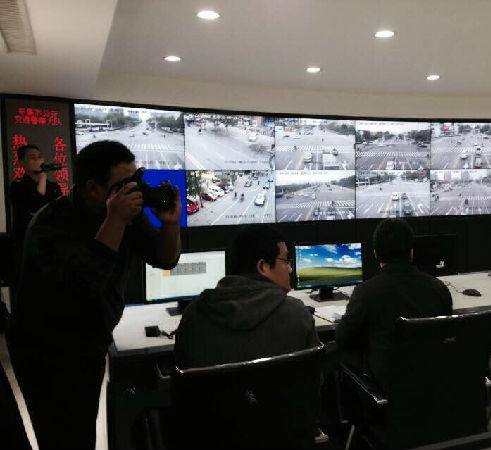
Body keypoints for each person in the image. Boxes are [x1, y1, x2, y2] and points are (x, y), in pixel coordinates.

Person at [7, 140, 181, 450]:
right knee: (63, 437)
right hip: (45, 351)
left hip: (91, 340)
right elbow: (81, 289)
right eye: (123, 185)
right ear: (92, 188)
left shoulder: (126, 214)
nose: (133, 191)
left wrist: (169, 223)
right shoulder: (49, 225)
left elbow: (165, 259)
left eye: (135, 181)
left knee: (83, 425)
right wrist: (115, 221)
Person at [175, 224, 319, 369]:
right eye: (286, 261)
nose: (290, 269)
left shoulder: (194, 315)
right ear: (263, 266)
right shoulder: (297, 313)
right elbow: (314, 375)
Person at [335, 219, 452, 394]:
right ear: (411, 252)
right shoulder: (439, 289)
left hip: (388, 389)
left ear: (375, 254)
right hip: (434, 384)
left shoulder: (366, 292)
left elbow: (342, 338)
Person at [9, 145, 62, 247]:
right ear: (21, 162)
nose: (38, 160)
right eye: (32, 157)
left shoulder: (53, 187)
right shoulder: (17, 185)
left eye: (40, 157)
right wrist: (42, 180)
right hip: (26, 241)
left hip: (50, 240)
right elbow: (35, 207)